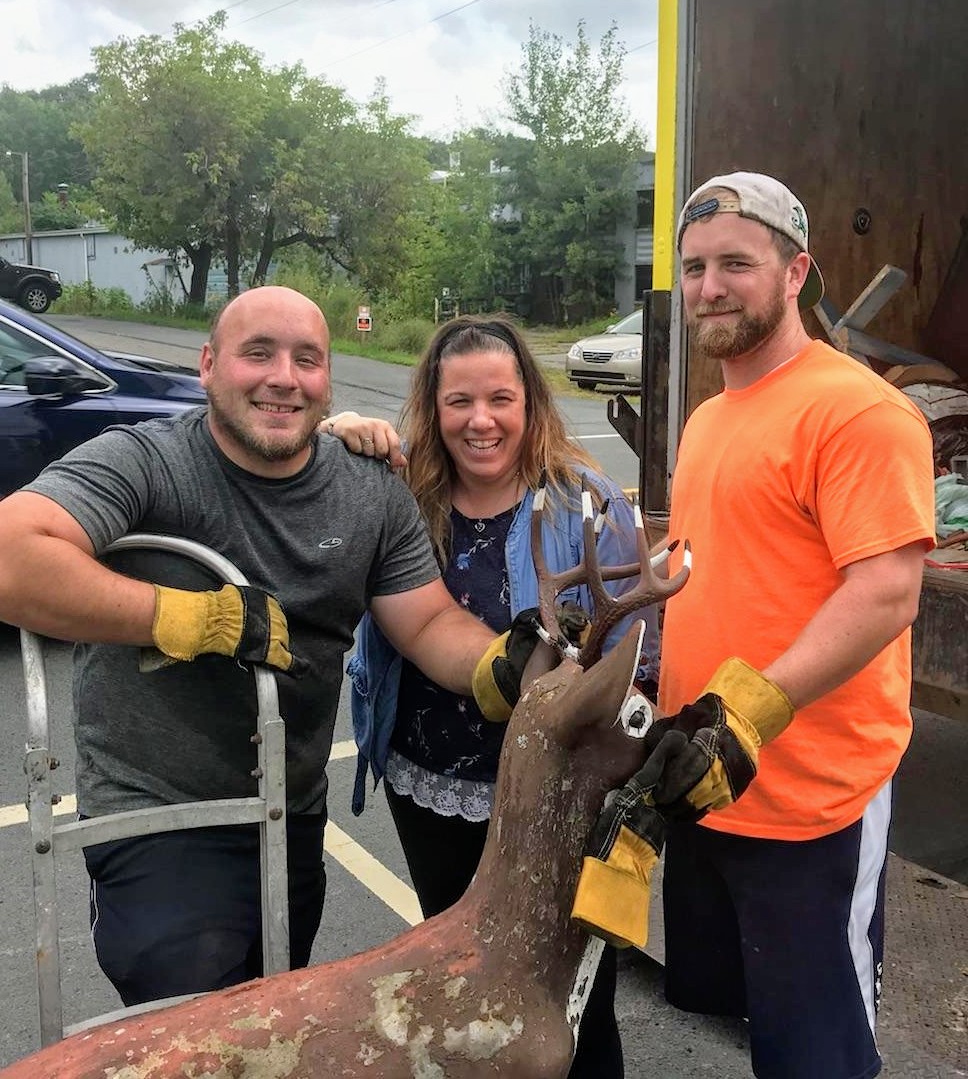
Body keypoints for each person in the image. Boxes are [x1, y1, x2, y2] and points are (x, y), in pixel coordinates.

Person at [0, 286, 538, 1007]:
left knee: (273, 1005)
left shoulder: (369, 492)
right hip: (158, 814)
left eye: (306, 359)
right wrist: (187, 619)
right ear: (208, 366)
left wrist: (496, 667)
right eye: (259, 353)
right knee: (194, 1012)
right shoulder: (147, 461)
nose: (284, 376)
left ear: (326, 380)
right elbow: (12, 557)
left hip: (286, 810)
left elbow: (429, 622)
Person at [574, 173, 936, 1079]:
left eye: (737, 261)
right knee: (759, 1029)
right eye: (695, 267)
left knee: (822, 1052)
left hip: (814, 799)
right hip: (709, 781)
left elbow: (885, 592)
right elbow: (700, 567)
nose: (709, 286)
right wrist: (614, 645)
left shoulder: (857, 411)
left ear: (795, 271)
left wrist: (754, 707)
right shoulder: (709, 419)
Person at [329, 315, 660, 1079]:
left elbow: (641, 655)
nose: (481, 420)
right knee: (459, 989)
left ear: (530, 404)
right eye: (459, 401)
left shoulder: (588, 503)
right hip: (433, 787)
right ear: (433, 407)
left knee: (571, 998)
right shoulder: (400, 498)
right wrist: (338, 429)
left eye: (501, 398)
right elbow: (297, 473)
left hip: (560, 804)